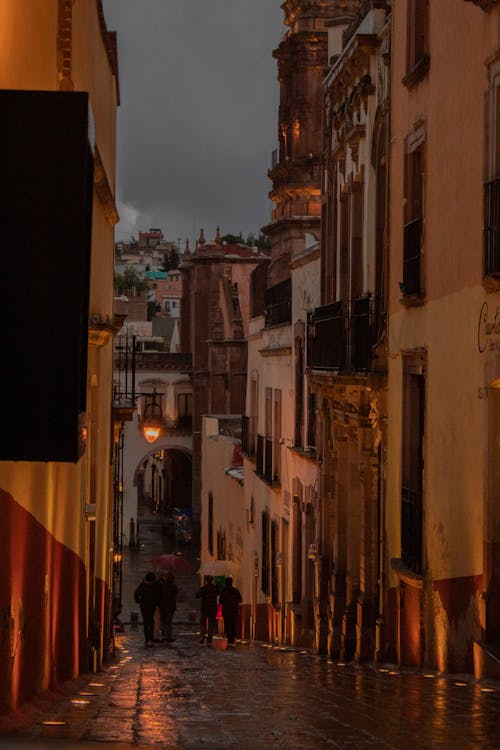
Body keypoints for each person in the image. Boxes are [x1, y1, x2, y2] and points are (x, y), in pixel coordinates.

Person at [134, 571, 162, 647]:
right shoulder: (156, 585)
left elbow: (136, 593)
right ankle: (151, 639)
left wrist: (138, 601)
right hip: (152, 606)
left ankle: (147, 639)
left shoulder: (143, 585)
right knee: (151, 621)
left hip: (144, 606)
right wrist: (158, 604)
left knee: (146, 622)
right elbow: (159, 595)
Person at [218, 576, 242, 647]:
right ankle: (232, 639)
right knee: (233, 625)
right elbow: (240, 599)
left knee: (227, 625)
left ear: (226, 583)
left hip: (226, 611)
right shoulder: (235, 591)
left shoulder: (224, 591)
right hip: (234, 611)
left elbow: (220, 601)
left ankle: (229, 640)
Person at [196, 575, 219, 645]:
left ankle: (203, 635)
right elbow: (218, 592)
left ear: (206, 580)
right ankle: (209, 639)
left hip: (204, 608)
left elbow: (197, 595)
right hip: (213, 608)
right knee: (211, 624)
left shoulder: (204, 588)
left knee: (202, 622)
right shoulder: (215, 588)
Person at [160, 571, 178, 643]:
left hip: (164, 605)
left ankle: (163, 636)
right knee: (169, 622)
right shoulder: (174, 586)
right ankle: (169, 636)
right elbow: (175, 594)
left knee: (164, 621)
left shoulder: (163, 585)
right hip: (171, 606)